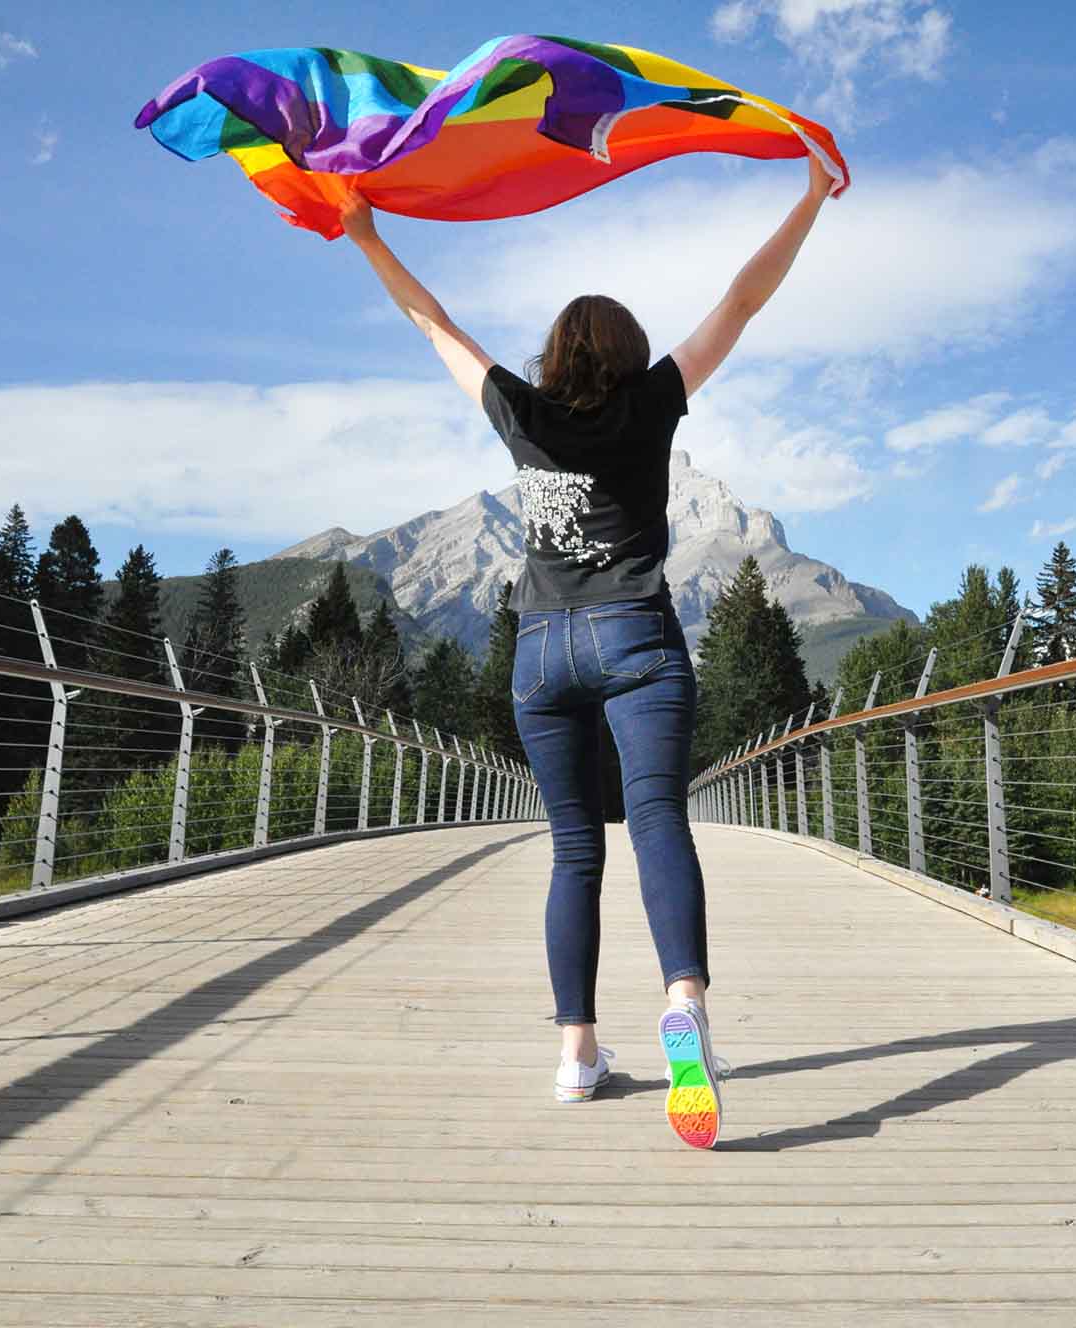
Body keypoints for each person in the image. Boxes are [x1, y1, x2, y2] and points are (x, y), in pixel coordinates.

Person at [342, 152, 836, 1149]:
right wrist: (809, 196)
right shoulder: (651, 402)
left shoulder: (519, 415)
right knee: (656, 818)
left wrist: (365, 235)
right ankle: (684, 999)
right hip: (635, 634)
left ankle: (576, 1050)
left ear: (555, 354)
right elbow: (742, 300)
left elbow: (431, 320)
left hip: (539, 651)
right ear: (629, 351)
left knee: (573, 850)